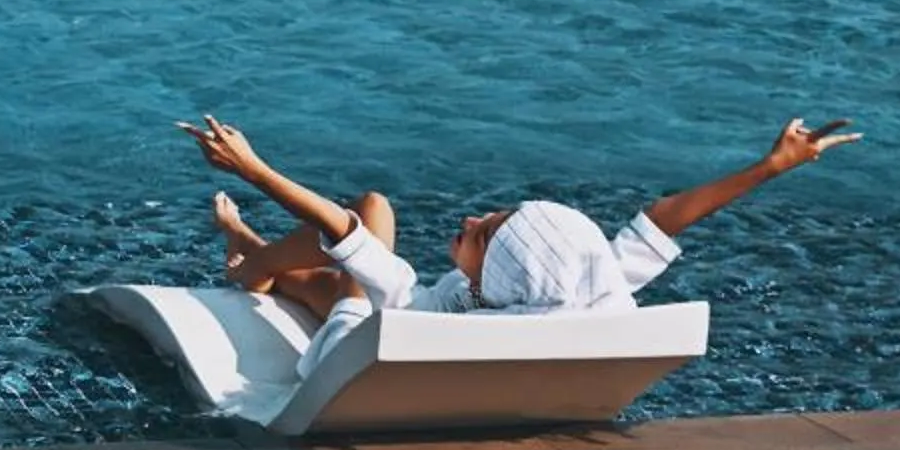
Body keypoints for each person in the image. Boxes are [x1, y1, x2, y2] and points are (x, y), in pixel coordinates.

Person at [177, 114, 859, 363]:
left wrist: (255, 168)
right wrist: (770, 168)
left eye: (483, 236)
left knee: (367, 224)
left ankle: (245, 260)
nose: (473, 220)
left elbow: (343, 227)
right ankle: (250, 249)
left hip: (350, 351)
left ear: (480, 281)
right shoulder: (569, 298)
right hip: (405, 329)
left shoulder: (429, 318)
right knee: (337, 276)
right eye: (494, 215)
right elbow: (665, 218)